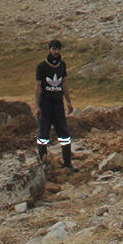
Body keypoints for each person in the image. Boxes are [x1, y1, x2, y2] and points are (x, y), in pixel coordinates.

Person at [34, 39, 78, 172]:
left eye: (58, 49)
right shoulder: (41, 67)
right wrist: (37, 106)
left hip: (58, 104)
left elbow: (64, 83)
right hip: (45, 104)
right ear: (49, 49)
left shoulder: (62, 65)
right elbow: (38, 86)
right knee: (43, 135)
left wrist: (69, 102)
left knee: (64, 134)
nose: (56, 52)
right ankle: (44, 164)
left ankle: (67, 163)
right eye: (53, 49)